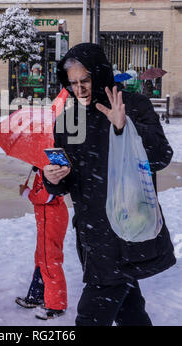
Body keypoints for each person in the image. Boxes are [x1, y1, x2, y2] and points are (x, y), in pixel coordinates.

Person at [43, 43, 176, 326]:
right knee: (130, 311)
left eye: (85, 80)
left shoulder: (132, 105)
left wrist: (125, 126)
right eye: (73, 83)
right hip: (93, 234)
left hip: (127, 229)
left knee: (91, 317)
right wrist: (53, 177)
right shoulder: (69, 120)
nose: (80, 89)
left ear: (100, 74)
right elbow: (68, 181)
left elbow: (161, 156)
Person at [16, 166, 68, 320]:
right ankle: (36, 295)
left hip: (51, 220)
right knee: (42, 258)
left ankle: (57, 305)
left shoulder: (50, 169)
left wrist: (27, 193)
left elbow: (46, 196)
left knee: (49, 260)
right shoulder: (41, 169)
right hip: (46, 219)